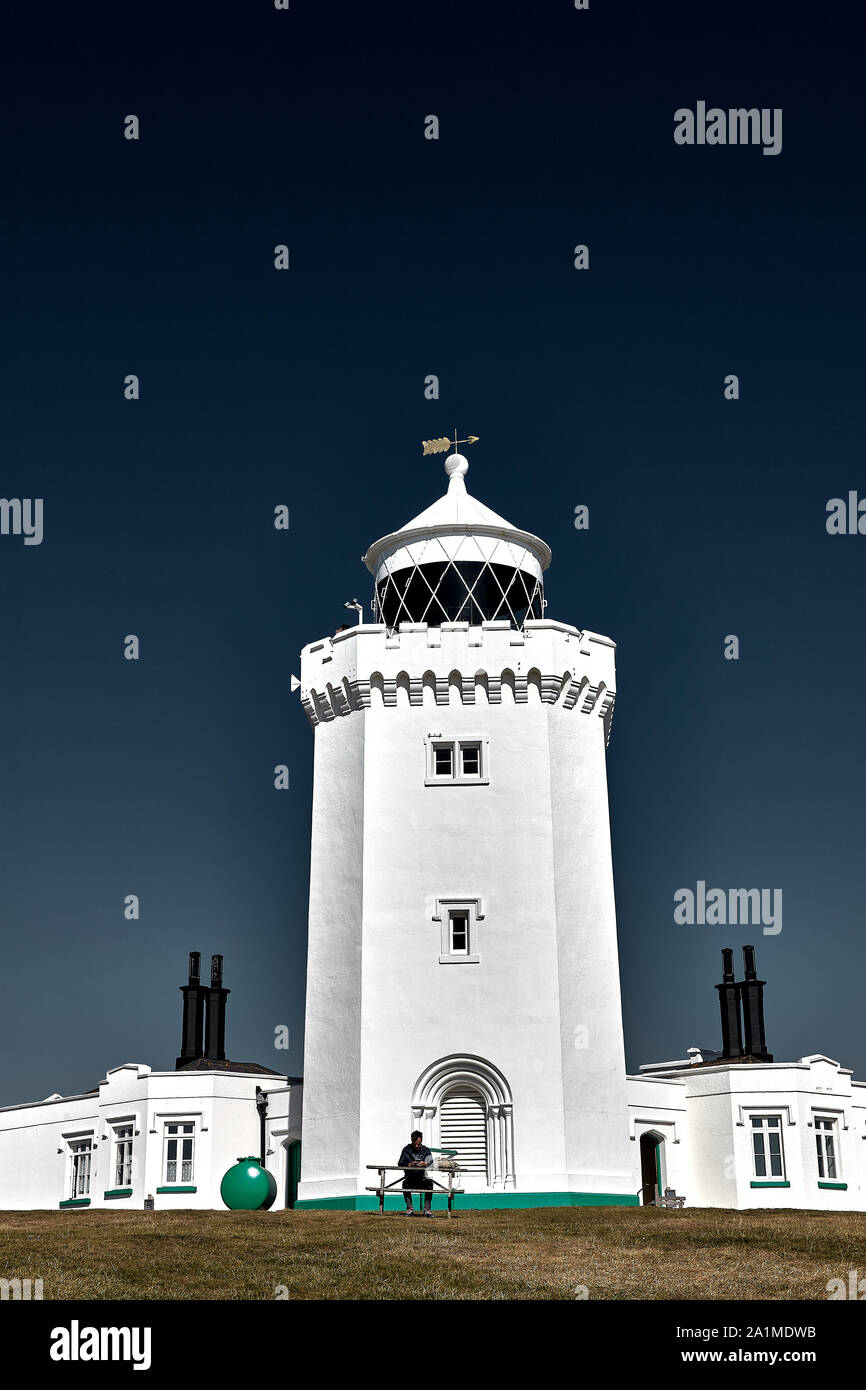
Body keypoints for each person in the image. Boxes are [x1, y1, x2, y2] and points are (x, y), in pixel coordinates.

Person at [398, 1130, 434, 1215]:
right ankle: (410, 1208)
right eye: (415, 1144)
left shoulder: (426, 1150)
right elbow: (400, 1163)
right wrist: (409, 1164)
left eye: (418, 1144)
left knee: (430, 1184)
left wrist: (426, 1163)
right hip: (410, 1178)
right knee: (405, 1184)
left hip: (422, 1178)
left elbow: (432, 1163)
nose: (417, 1146)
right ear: (412, 1141)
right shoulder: (406, 1150)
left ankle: (427, 1209)